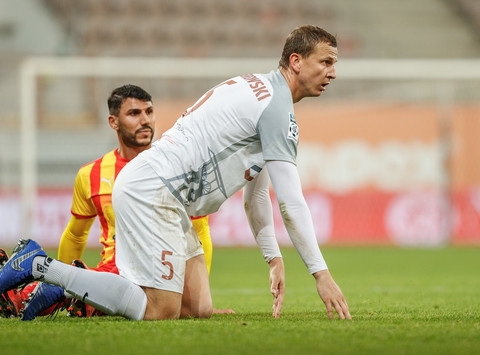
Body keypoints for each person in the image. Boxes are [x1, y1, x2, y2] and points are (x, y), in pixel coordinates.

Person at [0, 25, 351, 321]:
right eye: (326, 62)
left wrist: (273, 258)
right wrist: (321, 274)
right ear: (296, 61)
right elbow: (291, 203)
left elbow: (257, 194)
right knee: (160, 309)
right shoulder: (275, 108)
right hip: (155, 191)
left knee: (196, 308)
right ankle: (42, 267)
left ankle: (50, 276)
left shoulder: (259, 90)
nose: (333, 73)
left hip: (164, 192)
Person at [0, 84, 222, 320]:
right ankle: (46, 286)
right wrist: (56, 273)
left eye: (149, 111)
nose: (145, 120)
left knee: (194, 311)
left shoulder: (177, 167)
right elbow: (76, 235)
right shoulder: (91, 174)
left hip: (159, 267)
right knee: (17, 305)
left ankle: (66, 290)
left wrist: (199, 292)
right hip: (117, 268)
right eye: (134, 114)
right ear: (113, 122)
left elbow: (199, 232)